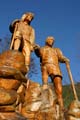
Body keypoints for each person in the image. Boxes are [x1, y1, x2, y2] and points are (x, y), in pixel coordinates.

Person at [34, 36, 69, 111]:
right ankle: (44, 102)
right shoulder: (43, 48)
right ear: (46, 41)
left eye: (53, 40)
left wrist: (65, 59)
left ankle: (61, 106)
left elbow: (61, 57)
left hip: (55, 67)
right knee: (45, 85)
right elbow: (38, 53)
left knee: (59, 87)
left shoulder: (56, 50)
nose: (52, 41)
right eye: (50, 40)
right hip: (45, 66)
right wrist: (36, 49)